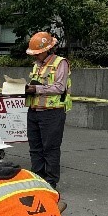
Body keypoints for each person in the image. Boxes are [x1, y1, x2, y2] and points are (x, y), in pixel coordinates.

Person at [24, 31, 71, 189]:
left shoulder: (60, 63)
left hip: (52, 112)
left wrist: (35, 89)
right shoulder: (37, 65)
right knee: (35, 147)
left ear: (46, 50)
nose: (35, 56)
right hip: (34, 111)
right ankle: (37, 177)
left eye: (37, 53)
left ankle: (50, 181)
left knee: (50, 148)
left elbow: (59, 87)